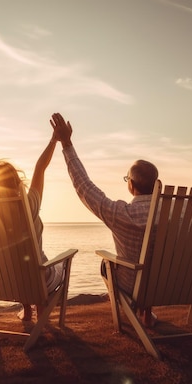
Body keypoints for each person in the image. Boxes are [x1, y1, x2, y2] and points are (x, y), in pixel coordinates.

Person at [50, 112, 159, 326]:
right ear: (156, 185)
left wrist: (67, 144)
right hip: (175, 284)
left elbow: (84, 187)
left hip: (134, 285)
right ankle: (147, 315)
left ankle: (131, 315)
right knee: (153, 260)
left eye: (127, 178)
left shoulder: (123, 214)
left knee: (105, 264)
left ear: (131, 185)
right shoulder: (179, 212)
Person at [0, 132, 63, 321]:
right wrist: (54, 140)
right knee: (60, 264)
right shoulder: (30, 204)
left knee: (16, 262)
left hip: (2, 282)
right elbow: (40, 168)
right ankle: (40, 307)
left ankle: (27, 309)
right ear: (17, 181)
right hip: (37, 282)